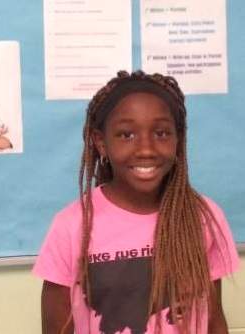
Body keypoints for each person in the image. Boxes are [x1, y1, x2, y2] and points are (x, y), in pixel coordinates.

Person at [33, 70, 240, 334]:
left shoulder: (203, 216)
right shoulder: (72, 225)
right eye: (126, 135)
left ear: (178, 139)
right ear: (101, 142)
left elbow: (213, 320)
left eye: (162, 133)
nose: (146, 149)